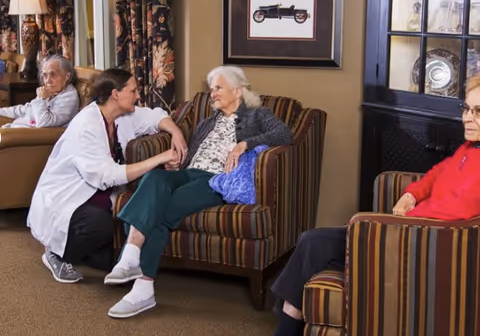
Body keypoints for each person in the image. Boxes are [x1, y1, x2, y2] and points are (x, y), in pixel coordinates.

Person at [272, 75, 480, 336]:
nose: (467, 117)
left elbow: (457, 212)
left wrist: (404, 219)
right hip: (408, 230)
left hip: (420, 243)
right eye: (467, 108)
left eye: (478, 111)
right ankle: (291, 318)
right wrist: (410, 195)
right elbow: (437, 173)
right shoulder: (469, 148)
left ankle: (287, 324)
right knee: (310, 242)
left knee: (313, 243)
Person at [103, 65, 294, 319]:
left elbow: (285, 134)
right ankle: (130, 257)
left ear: (237, 91)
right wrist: (175, 164)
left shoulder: (257, 115)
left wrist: (243, 145)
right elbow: (191, 157)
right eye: (211, 88)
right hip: (189, 172)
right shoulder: (206, 123)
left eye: (218, 88)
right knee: (154, 177)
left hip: (216, 181)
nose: (212, 93)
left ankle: (142, 286)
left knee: (158, 210)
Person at [27, 68, 188, 284]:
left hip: (99, 198)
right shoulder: (87, 124)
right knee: (100, 226)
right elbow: (106, 176)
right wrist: (159, 159)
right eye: (133, 91)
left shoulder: (122, 115)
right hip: (66, 200)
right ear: (115, 94)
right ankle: (55, 254)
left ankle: (83, 248)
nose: (138, 96)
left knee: (109, 260)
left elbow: (154, 116)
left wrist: (176, 133)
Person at [0, 55, 79, 128]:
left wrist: (41, 99)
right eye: (45, 75)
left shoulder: (69, 98)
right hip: (13, 130)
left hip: (24, 137)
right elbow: (26, 109)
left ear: (67, 76)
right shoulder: (53, 92)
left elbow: (44, 123)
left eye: (53, 74)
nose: (48, 81)